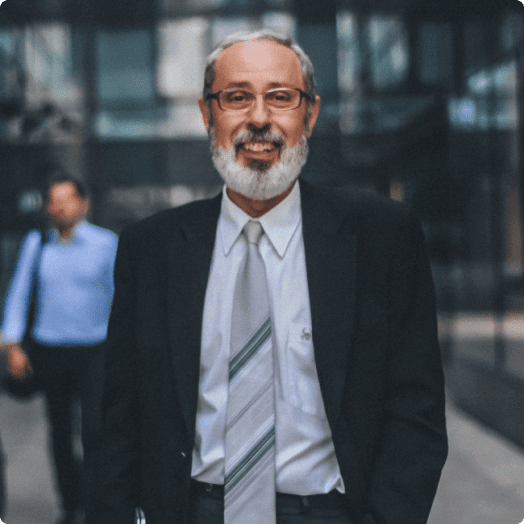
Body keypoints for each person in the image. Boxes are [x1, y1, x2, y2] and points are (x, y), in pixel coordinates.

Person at [88, 31, 448, 524]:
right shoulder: (151, 248)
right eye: (237, 98)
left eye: (280, 97)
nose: (259, 118)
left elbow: (416, 407)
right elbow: (117, 415)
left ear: (311, 113)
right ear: (206, 113)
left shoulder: (383, 238)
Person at [0, 169, 118, 524]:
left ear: (82, 203)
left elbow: (123, 299)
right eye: (54, 201)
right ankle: (71, 505)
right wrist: (12, 345)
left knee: (96, 432)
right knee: (60, 432)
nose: (60, 207)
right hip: (51, 351)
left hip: (95, 350)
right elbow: (19, 295)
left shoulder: (107, 244)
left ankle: (96, 503)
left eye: (67, 200)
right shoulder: (38, 244)